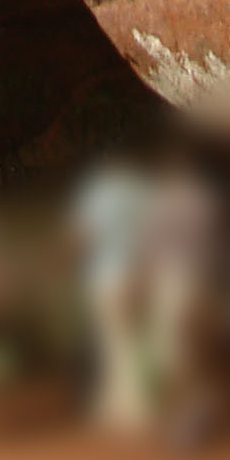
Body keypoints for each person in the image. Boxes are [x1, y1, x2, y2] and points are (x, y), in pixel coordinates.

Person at [138, 152, 225, 447]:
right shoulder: (205, 202)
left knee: (177, 356)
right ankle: (199, 415)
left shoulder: (160, 205)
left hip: (171, 283)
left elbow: (149, 249)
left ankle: (186, 425)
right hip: (202, 281)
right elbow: (216, 247)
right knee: (200, 355)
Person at [69, 157, 157, 432]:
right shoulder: (141, 192)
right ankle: (135, 404)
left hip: (105, 276)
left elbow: (82, 237)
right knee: (135, 340)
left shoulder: (97, 195)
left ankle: (124, 407)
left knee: (114, 342)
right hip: (138, 275)